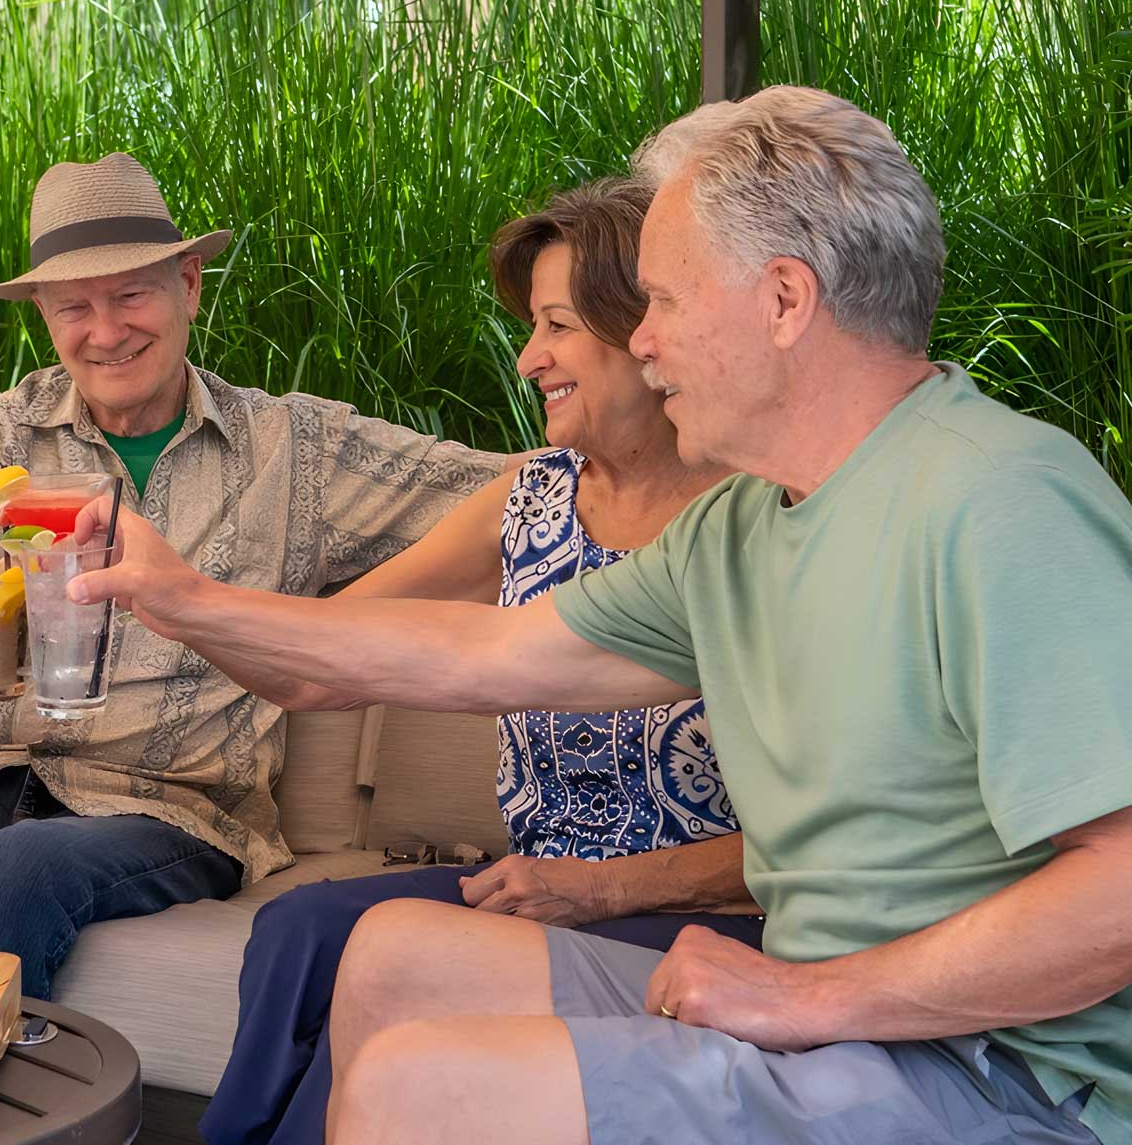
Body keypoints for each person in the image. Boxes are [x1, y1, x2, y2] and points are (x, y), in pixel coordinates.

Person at [71, 87, 1132, 1145]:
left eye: (665, 302)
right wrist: (185, 597)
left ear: (784, 300)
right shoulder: (744, 526)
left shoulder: (998, 499)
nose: (649, 342)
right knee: (396, 953)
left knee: (422, 1088)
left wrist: (812, 999)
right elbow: (485, 651)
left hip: (999, 1073)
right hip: (822, 1010)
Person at [0, 152, 520, 998]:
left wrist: (360, 608)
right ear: (46, 318)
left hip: (166, 805)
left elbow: (511, 484)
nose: (105, 331)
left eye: (132, 294)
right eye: (74, 306)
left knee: (17, 865)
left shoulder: (296, 450)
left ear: (189, 285)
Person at [202, 177, 761, 1145]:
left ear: (647, 331)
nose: (528, 356)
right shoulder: (530, 499)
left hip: (685, 907)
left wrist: (597, 889)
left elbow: (812, 854)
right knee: (298, 934)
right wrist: (161, 596)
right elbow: (315, 657)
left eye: (555, 325)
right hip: (532, 885)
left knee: (398, 986)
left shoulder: (751, 519)